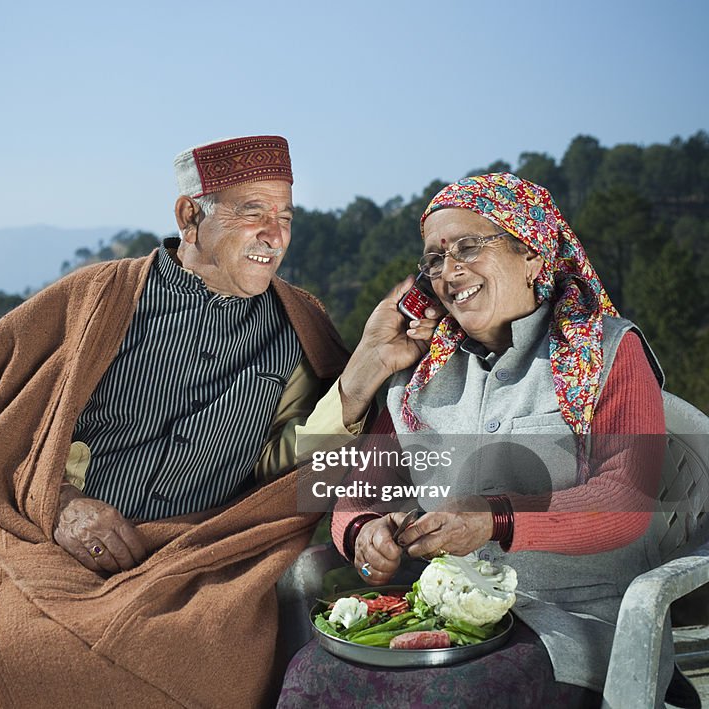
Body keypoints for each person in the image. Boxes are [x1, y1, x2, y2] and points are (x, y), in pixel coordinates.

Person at [0, 136, 435, 707]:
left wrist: (362, 372)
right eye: (253, 213)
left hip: (198, 557)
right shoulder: (101, 295)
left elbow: (285, 468)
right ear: (189, 215)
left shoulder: (299, 326)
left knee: (208, 659)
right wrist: (62, 503)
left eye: (286, 218)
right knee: (25, 651)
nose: (275, 236)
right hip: (56, 541)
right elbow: (1, 411)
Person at [278, 173, 671, 708]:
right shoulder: (415, 373)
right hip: (437, 613)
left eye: (469, 246)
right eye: (435, 259)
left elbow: (626, 501)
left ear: (533, 256)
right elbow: (357, 499)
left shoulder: (607, 353)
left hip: (569, 623)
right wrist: (367, 536)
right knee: (309, 679)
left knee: (449, 698)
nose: (449, 271)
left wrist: (492, 518)